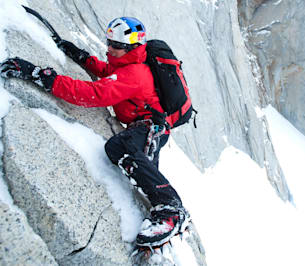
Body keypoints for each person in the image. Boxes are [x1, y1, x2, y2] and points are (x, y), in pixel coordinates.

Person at [0, 17, 190, 247]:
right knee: (141, 171)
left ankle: (172, 211)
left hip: (152, 127)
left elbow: (93, 94)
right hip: (147, 126)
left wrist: (41, 76)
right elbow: (107, 71)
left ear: (131, 48)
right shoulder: (127, 64)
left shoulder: (135, 74)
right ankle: (160, 216)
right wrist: (78, 55)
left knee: (120, 148)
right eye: (109, 42)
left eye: (116, 46)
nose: (109, 48)